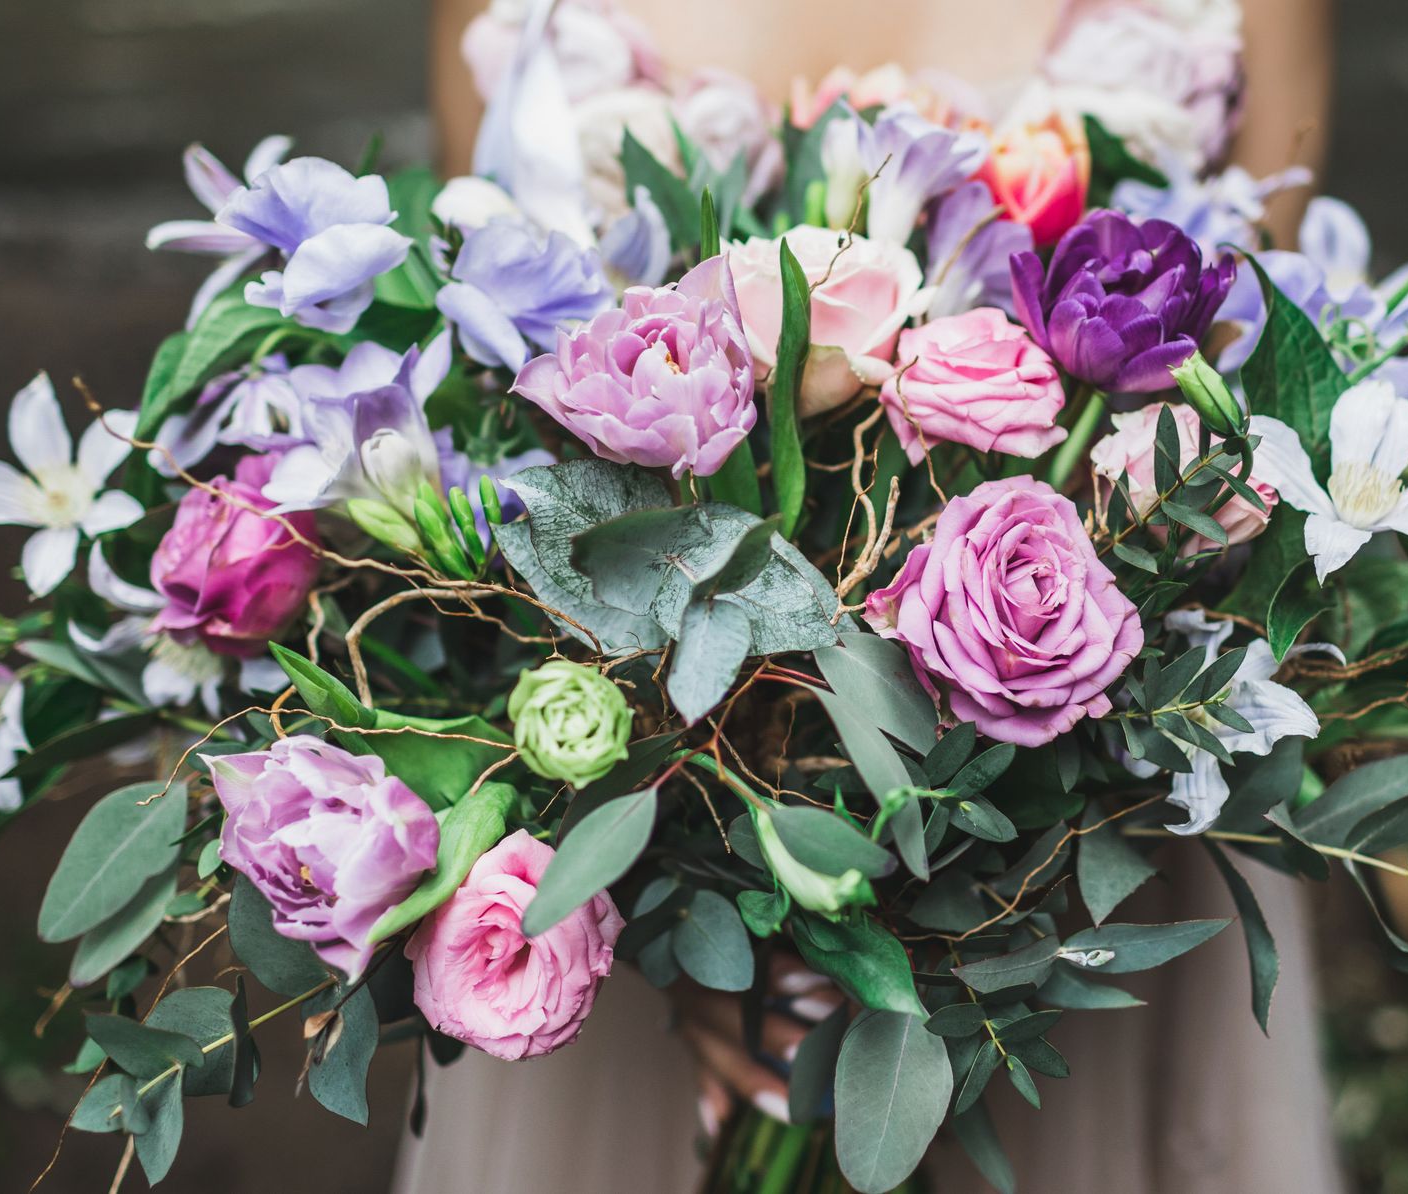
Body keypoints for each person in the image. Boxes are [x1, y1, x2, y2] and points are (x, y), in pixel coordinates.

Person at [396, 2, 1343, 1189]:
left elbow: (1240, 430)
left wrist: (960, 921)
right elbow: (485, 407)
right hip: (634, 908)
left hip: (1082, 896)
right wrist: (674, 920)